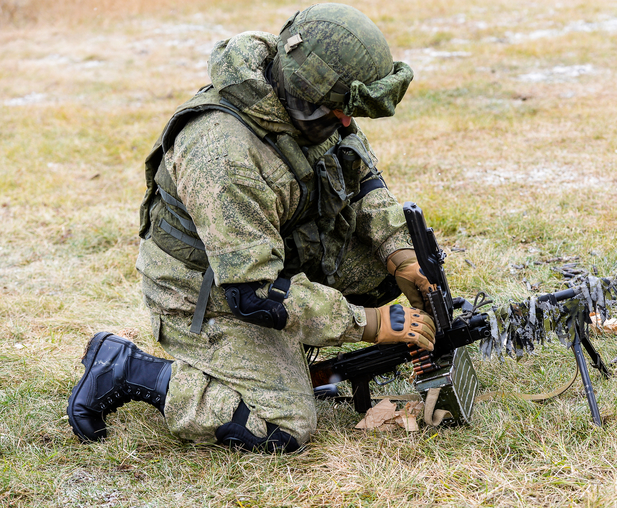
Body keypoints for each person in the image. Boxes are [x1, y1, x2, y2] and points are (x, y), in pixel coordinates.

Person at [67, 3, 437, 453]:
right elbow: (254, 292)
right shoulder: (223, 152)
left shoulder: (312, 103)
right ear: (307, 91)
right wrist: (370, 323)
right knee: (284, 425)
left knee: (381, 275)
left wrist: (401, 254)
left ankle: (279, 354)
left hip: (269, 253)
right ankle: (129, 368)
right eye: (339, 110)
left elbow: (360, 178)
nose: (347, 121)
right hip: (203, 291)